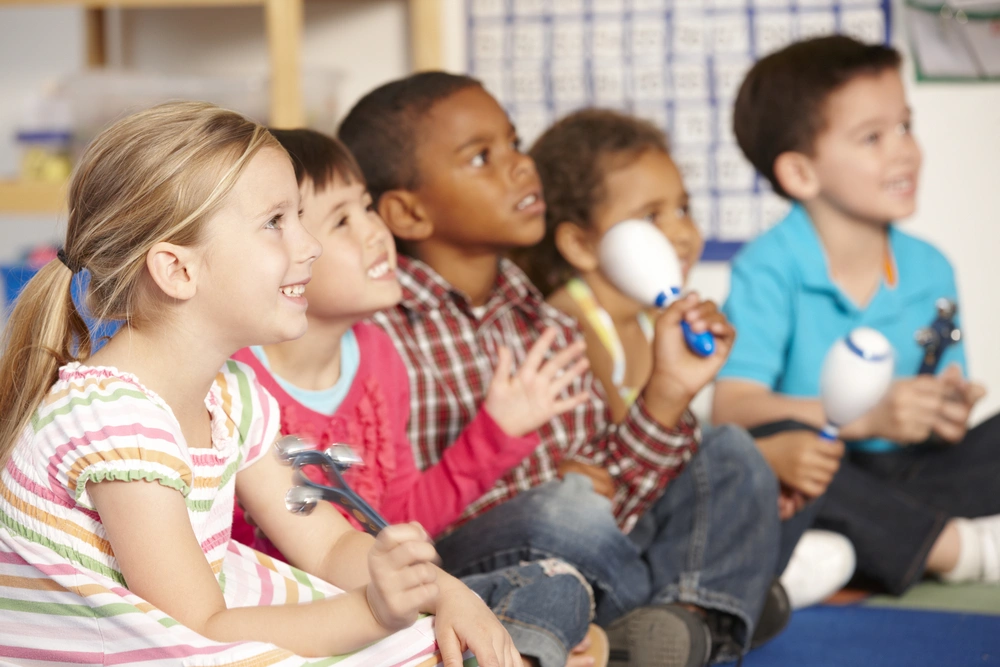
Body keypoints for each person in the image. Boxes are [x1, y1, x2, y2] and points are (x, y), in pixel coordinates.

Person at [0, 101, 521, 666]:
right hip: (146, 646)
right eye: (276, 222)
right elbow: (196, 631)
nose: (310, 246)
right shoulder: (112, 419)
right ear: (177, 270)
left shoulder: (231, 396)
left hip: (196, 625)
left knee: (431, 642)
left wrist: (443, 590)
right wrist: (374, 611)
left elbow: (326, 544)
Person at [339, 72, 790, 667]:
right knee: (566, 510)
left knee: (730, 453)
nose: (521, 166)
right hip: (475, 570)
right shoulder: (377, 333)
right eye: (481, 157)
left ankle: (672, 627)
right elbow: (394, 519)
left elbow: (615, 496)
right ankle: (695, 610)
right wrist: (554, 486)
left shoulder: (542, 321)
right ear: (408, 213)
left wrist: (667, 392)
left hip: (590, 550)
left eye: (515, 143)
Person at [230, 128, 605, 667]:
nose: (375, 231)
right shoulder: (240, 379)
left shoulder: (378, 355)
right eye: (341, 220)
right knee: (563, 530)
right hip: (307, 617)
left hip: (380, 590)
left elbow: (399, 518)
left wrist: (496, 434)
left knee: (555, 582)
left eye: (366, 207)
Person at [511, 107, 855, 610]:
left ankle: (738, 584)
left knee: (785, 457)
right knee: (741, 452)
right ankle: (729, 593)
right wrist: (759, 461)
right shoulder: (572, 323)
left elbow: (678, 440)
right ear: (581, 244)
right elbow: (624, 467)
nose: (681, 232)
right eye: (652, 216)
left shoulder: (652, 320)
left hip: (651, 510)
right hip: (607, 530)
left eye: (683, 208)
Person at [714, 35, 1000, 595]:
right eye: (872, 137)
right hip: (822, 474)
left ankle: (853, 548)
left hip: (907, 478)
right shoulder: (770, 266)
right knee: (762, 447)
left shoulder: (929, 267)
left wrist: (946, 411)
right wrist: (865, 419)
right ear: (800, 174)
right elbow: (732, 407)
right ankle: (954, 550)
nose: (904, 151)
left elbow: (944, 396)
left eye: (905, 126)